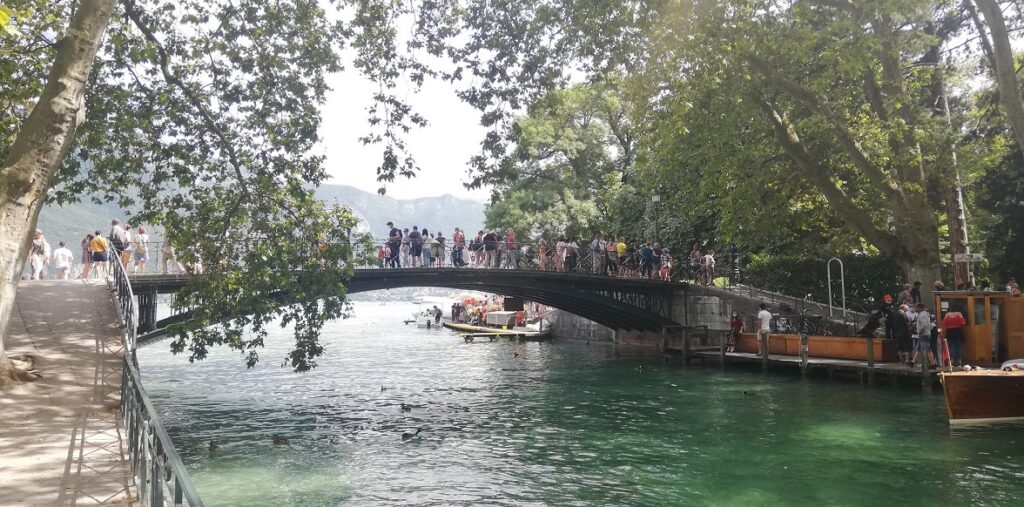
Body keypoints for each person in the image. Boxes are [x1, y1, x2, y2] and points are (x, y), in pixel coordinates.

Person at [911, 302, 937, 368]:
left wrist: (920, 332)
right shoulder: (922, 314)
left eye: (916, 307)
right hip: (924, 334)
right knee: (919, 349)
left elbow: (924, 324)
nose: (915, 308)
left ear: (919, 308)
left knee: (928, 349)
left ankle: (933, 363)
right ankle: (913, 362)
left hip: (924, 334)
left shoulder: (923, 315)